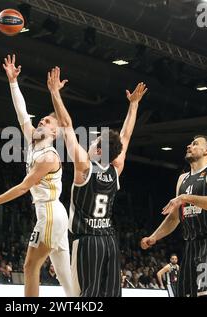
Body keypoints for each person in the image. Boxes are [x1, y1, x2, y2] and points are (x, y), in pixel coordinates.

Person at [0, 55, 74, 297]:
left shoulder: (49, 156)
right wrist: (13, 82)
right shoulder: (33, 142)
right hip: (53, 214)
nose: (41, 121)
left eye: (47, 121)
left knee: (30, 266)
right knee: (65, 276)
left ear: (55, 132)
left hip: (49, 214)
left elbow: (23, 187)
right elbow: (22, 113)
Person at [47, 66, 147, 297]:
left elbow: (66, 125)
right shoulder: (116, 168)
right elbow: (125, 136)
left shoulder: (84, 167)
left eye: (93, 143)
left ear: (99, 149)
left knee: (86, 297)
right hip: (110, 240)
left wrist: (54, 93)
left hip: (88, 241)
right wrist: (134, 105)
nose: (89, 144)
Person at [141, 135, 207, 297]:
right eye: (190, 143)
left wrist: (185, 198)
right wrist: (154, 237)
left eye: (195, 144)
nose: (189, 146)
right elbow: (175, 216)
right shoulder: (183, 178)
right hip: (191, 244)